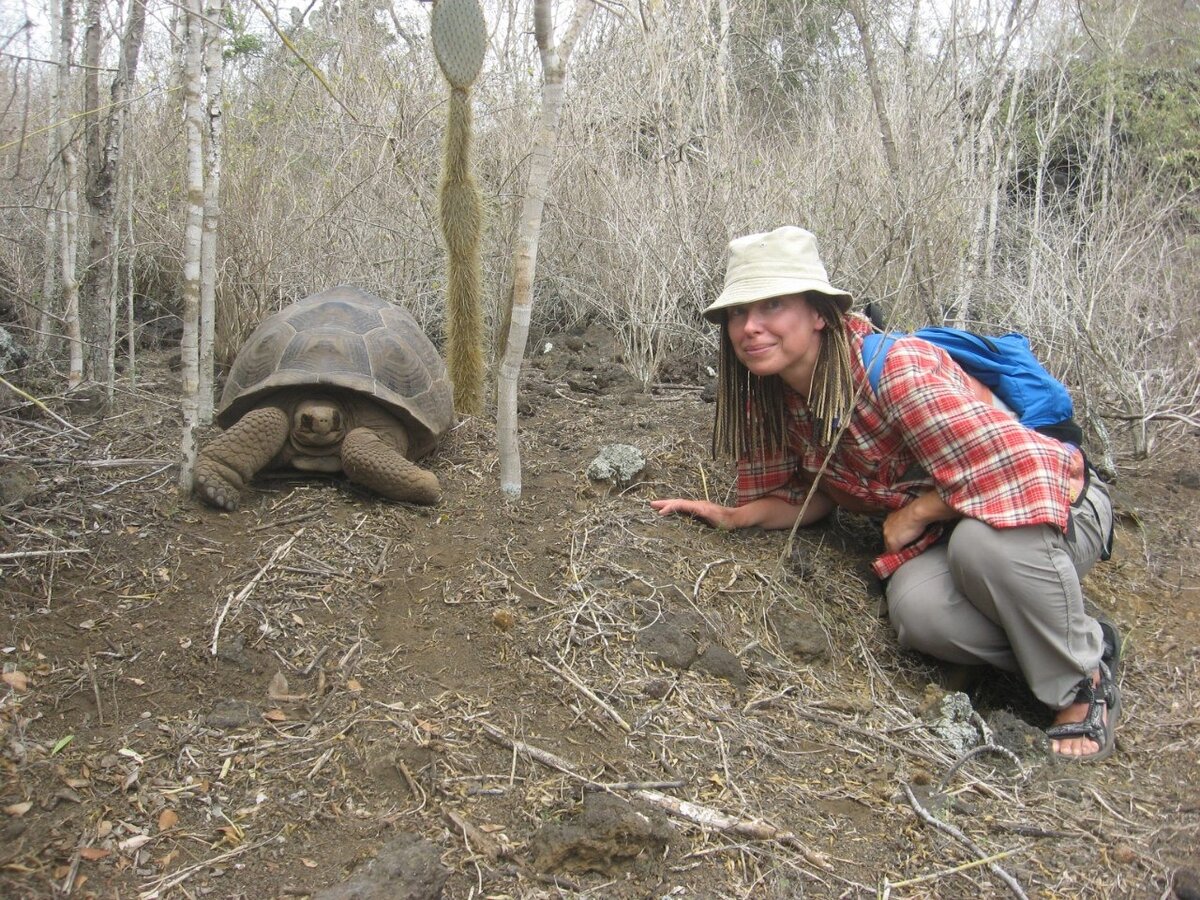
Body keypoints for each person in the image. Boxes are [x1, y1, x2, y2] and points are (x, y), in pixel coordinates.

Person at [651, 226, 1119, 762]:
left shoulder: (896, 370)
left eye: (773, 305)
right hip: (955, 529)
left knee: (980, 550)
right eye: (738, 313)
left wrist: (919, 509)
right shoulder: (773, 393)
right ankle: (1080, 638)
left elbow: (1025, 468)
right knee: (919, 615)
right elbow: (816, 495)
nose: (750, 327)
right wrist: (737, 517)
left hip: (1051, 505)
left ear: (820, 313)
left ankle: (1083, 685)